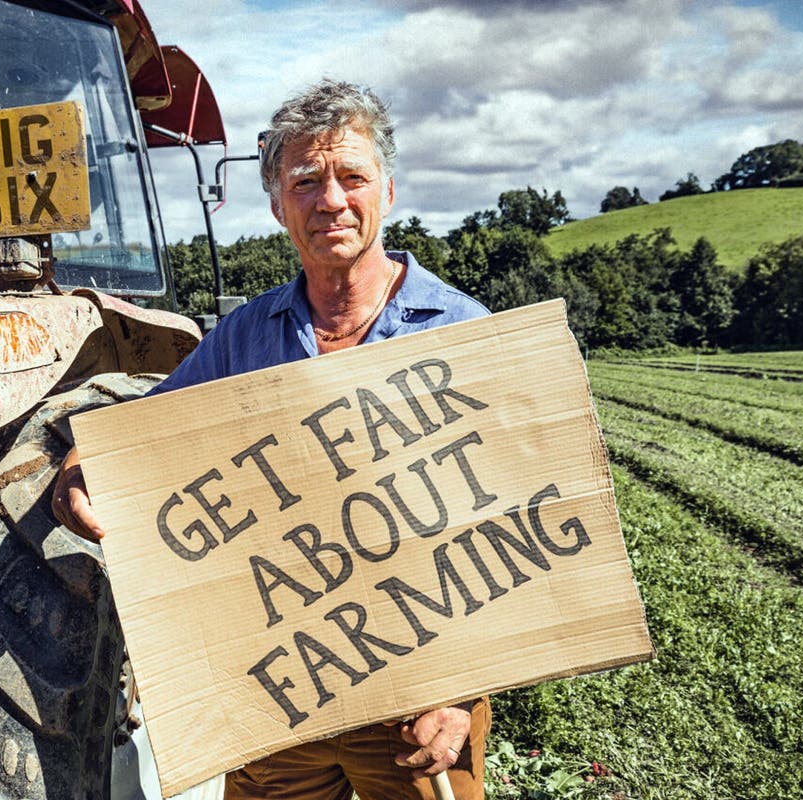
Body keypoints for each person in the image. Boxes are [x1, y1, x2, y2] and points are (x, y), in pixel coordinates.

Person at [53, 79, 491, 800]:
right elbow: (154, 428)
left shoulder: (459, 331)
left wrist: (462, 691)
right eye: (306, 181)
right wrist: (86, 457)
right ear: (279, 203)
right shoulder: (247, 336)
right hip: (281, 691)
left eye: (352, 177)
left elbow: (515, 522)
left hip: (417, 695)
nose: (331, 200)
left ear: (387, 189)